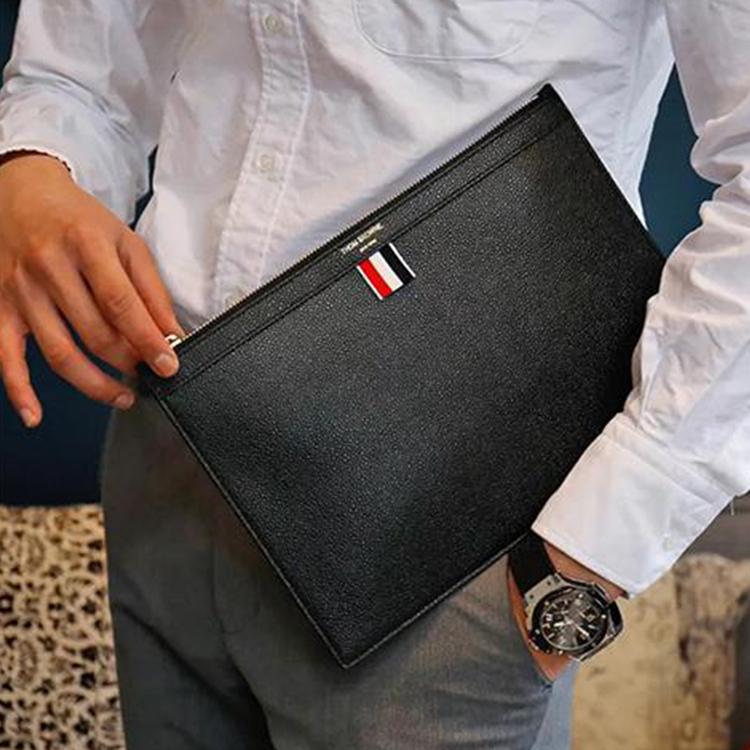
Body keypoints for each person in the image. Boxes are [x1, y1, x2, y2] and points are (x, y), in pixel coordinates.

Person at [0, 1, 748, 748]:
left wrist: (586, 562)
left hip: (442, 543)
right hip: (168, 441)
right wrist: (35, 164)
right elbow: (73, 69)